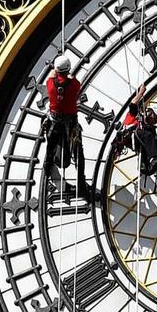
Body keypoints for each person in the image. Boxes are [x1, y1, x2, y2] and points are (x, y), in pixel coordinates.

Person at [44, 54, 93, 202]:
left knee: (51, 145)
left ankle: (48, 165)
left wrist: (56, 68)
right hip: (71, 123)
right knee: (79, 153)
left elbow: (53, 75)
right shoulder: (74, 86)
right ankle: (82, 184)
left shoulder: (50, 84)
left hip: (55, 121)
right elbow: (73, 80)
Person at [111, 92, 157, 191]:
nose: (154, 121)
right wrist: (141, 93)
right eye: (154, 117)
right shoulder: (136, 117)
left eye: (156, 121)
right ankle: (151, 162)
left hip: (141, 142)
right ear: (149, 111)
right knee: (148, 137)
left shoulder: (150, 131)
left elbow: (152, 145)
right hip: (130, 135)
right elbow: (133, 103)